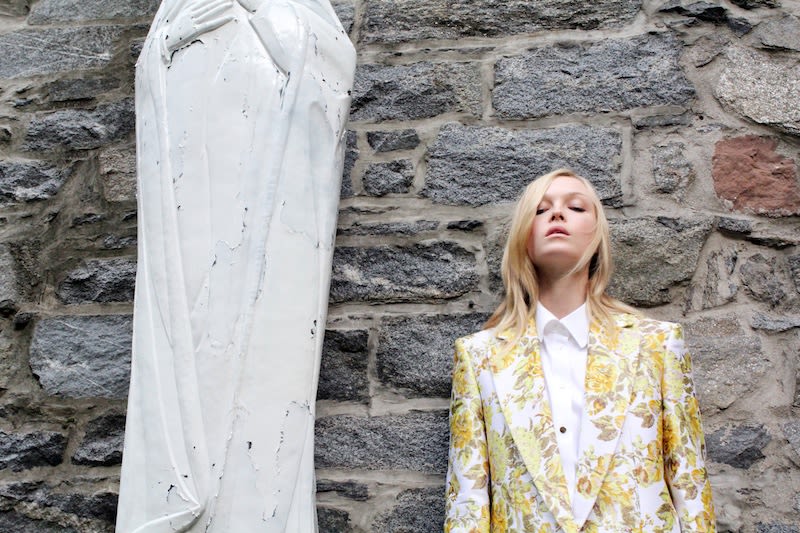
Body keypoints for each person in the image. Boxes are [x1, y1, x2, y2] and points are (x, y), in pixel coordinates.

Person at [117, 0, 355, 531]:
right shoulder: (181, 7)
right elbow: (151, 74)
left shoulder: (299, 10)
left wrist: (270, 18)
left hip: (275, 227)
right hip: (188, 217)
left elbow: (333, 74)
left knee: (263, 376)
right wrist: (169, 42)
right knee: (184, 350)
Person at [444, 169, 715, 532]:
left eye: (575, 207)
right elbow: (467, 500)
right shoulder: (479, 356)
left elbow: (690, 481)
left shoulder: (657, 344)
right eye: (540, 210)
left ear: (597, 235)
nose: (557, 214)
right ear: (524, 238)